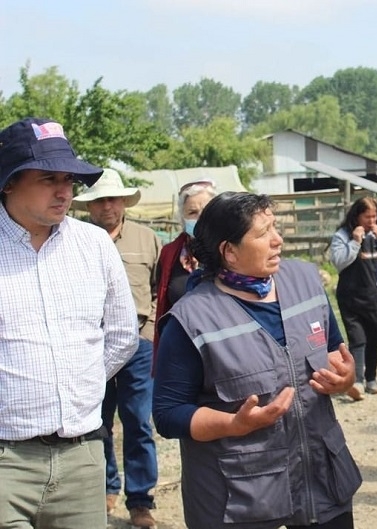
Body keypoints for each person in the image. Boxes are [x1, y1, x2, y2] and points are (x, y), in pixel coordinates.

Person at [152, 192, 362, 529]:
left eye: (275, 227)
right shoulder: (191, 319)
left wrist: (345, 378)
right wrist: (233, 425)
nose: (278, 240)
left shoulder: (306, 282)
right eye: (263, 233)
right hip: (240, 500)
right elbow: (167, 414)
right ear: (229, 251)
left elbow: (335, 348)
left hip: (321, 486)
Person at [0, 118, 139, 528]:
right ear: (8, 181)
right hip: (6, 461)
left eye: (70, 179)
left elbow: (121, 335)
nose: (65, 191)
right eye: (48, 178)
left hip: (82, 458)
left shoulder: (93, 245)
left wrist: (76, 381)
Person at [72, 169, 161, 527]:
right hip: (92, 343)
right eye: (98, 200)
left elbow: (160, 288)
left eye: (112, 198)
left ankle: (140, 500)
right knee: (96, 421)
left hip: (139, 342)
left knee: (139, 421)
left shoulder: (146, 238)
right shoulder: (73, 239)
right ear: (89, 206)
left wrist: (152, 331)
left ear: (124, 201)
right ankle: (105, 487)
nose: (106, 206)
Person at [330, 196, 377, 400]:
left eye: (375, 216)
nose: (371, 221)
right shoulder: (342, 236)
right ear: (357, 216)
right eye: (367, 216)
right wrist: (355, 242)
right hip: (352, 298)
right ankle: (357, 381)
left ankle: (372, 379)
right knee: (357, 339)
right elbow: (338, 262)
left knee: (374, 338)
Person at [153, 179, 217, 354]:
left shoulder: (230, 250)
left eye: (206, 211)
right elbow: (162, 302)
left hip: (223, 343)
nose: (200, 218)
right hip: (182, 347)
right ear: (182, 217)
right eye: (192, 212)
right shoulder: (169, 254)